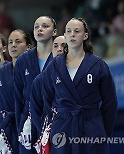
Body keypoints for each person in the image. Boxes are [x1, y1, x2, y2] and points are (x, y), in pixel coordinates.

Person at [42, 17, 118, 153]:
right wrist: (58, 119)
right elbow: (45, 98)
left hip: (91, 127)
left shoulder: (98, 65)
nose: (72, 34)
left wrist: (101, 131)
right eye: (69, 31)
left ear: (85, 35)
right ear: (64, 35)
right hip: (62, 128)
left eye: (77, 31)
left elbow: (110, 102)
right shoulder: (54, 66)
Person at [14, 16, 57, 153]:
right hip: (28, 122)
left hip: (55, 118)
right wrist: (20, 127)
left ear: (54, 32)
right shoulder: (23, 60)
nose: (40, 29)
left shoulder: (61, 58)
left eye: (45, 26)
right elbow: (18, 98)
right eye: (36, 27)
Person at [0, 29, 32, 153]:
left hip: (28, 128)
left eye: (18, 42)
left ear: (28, 47)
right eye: (11, 42)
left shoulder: (34, 71)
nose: (13, 45)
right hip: (5, 129)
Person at [30, 35, 66, 153]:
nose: (59, 49)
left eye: (64, 46)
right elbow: (35, 110)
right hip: (52, 132)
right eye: (55, 46)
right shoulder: (39, 80)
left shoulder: (79, 74)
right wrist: (45, 129)